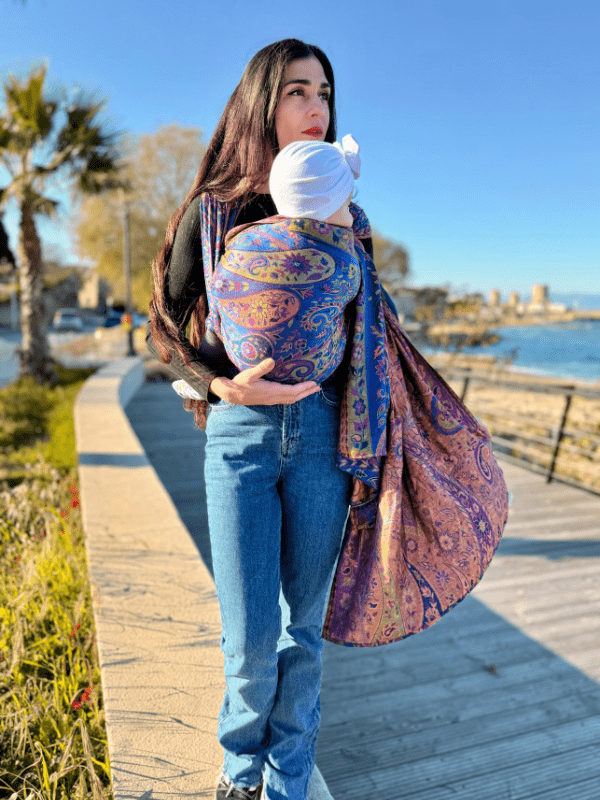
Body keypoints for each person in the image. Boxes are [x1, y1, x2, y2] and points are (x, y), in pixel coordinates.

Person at [147, 39, 386, 800]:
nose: (316, 109)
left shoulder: (350, 218)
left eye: (325, 93)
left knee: (302, 631)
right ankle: (238, 770)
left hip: (322, 436)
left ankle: (286, 781)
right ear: (261, 103)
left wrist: (371, 444)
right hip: (240, 440)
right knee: (250, 636)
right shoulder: (213, 213)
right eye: (297, 92)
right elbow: (164, 330)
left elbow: (366, 333)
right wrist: (219, 386)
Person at [171, 133, 362, 402]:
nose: (352, 214)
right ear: (327, 206)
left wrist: (208, 381)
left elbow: (222, 285)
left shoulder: (245, 238)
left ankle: (205, 370)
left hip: (240, 364)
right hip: (316, 379)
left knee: (218, 317)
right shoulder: (342, 256)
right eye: (347, 205)